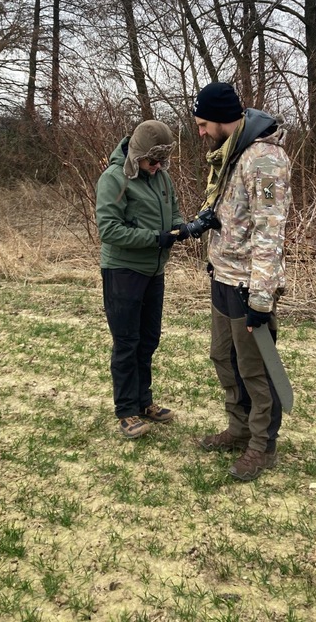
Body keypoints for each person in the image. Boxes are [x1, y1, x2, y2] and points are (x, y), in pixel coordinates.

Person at [187, 81, 292, 481]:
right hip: (223, 274)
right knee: (223, 357)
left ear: (220, 118)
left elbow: (270, 232)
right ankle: (238, 427)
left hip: (249, 284)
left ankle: (262, 446)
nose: (200, 132)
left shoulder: (264, 160)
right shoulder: (233, 153)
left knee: (255, 369)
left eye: (202, 124)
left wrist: (261, 299)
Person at [95, 119, 186, 439]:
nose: (157, 165)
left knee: (148, 340)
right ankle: (126, 411)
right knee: (126, 343)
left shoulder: (162, 177)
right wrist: (155, 238)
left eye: (162, 160)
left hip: (153, 271)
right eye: (152, 159)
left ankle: (144, 401)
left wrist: (180, 228)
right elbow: (109, 229)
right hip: (123, 271)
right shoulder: (113, 178)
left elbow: (173, 212)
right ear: (137, 154)